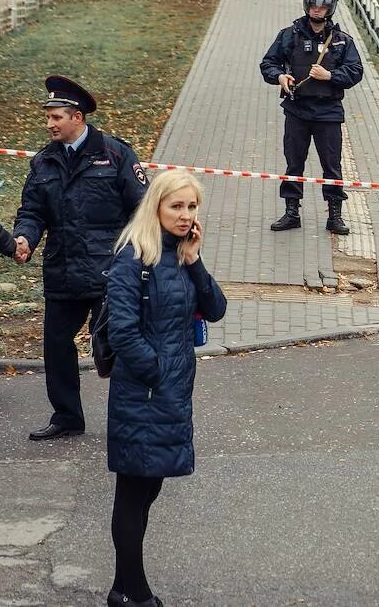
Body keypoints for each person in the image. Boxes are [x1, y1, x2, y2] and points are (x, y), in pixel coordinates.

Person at [104, 170, 225, 607]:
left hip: (172, 392)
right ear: (155, 206)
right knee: (134, 490)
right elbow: (122, 331)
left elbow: (215, 308)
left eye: (191, 207)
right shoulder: (133, 258)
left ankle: (124, 587)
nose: (185, 215)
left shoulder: (180, 254)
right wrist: (156, 373)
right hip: (145, 393)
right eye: (176, 206)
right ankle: (133, 592)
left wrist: (196, 261)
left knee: (148, 488)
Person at [15, 76, 147, 441]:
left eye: (56, 117)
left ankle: (131, 416)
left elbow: (142, 209)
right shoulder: (43, 162)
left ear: (77, 117)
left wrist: (141, 259)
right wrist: (25, 236)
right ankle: (67, 416)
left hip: (110, 272)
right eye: (48, 118)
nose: (50, 124)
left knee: (118, 346)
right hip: (64, 271)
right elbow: (31, 210)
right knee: (57, 347)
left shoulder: (116, 153)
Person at [259, 0, 364, 235]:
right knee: (294, 163)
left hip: (328, 112)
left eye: (323, 5)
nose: (317, 9)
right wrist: (280, 78)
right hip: (297, 110)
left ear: (330, 8)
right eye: (314, 4)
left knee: (332, 165)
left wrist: (330, 76)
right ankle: (291, 211)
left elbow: (355, 71)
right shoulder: (289, 35)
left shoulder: (341, 41)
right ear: (307, 4)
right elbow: (268, 63)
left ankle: (335, 214)